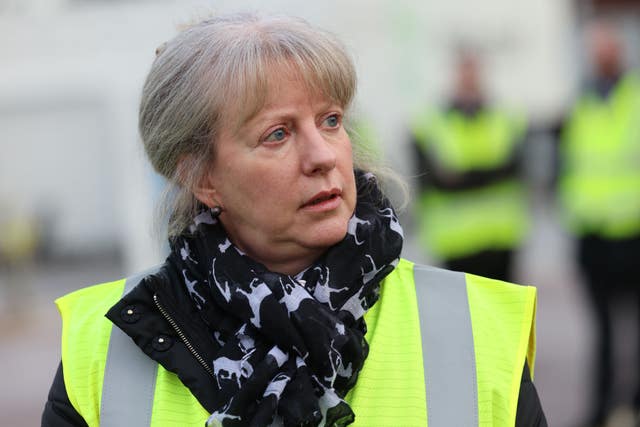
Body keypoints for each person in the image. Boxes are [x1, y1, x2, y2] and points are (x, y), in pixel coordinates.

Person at [42, 13, 546, 426]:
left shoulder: (474, 327)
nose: (322, 155)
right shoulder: (103, 348)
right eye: (277, 134)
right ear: (202, 178)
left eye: (331, 120)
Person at [554, 21, 640, 426]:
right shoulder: (581, 103)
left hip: (634, 231)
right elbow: (571, 168)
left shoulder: (635, 98)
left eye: (606, 48)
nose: (600, 56)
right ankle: (603, 407)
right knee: (602, 331)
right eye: (595, 49)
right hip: (593, 233)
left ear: (619, 53)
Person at [411, 50, 529, 281]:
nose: (469, 78)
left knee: (503, 313)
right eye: (464, 71)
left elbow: (515, 169)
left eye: (473, 70)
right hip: (456, 241)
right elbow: (432, 180)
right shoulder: (430, 123)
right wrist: (491, 172)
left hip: (500, 236)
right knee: (465, 314)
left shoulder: (505, 117)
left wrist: (459, 176)